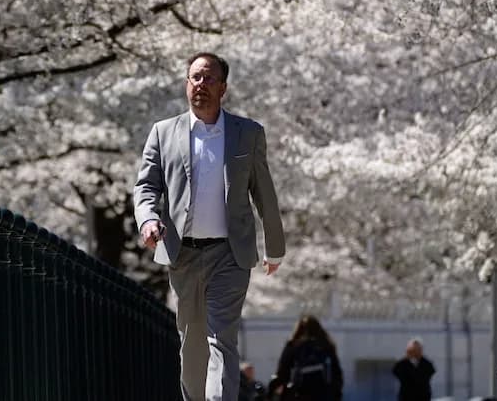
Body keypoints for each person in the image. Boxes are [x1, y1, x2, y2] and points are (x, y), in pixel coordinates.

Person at [134, 52, 287, 401]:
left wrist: (274, 247)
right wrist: (148, 219)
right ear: (186, 84)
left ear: (223, 88)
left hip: (230, 254)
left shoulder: (247, 134)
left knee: (222, 339)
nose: (201, 84)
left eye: (209, 79)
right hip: (183, 254)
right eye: (195, 78)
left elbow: (264, 193)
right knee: (192, 345)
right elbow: (146, 187)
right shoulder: (163, 132)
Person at [272, 315, 343, 401]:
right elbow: (337, 375)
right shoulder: (326, 346)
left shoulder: (293, 345)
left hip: (299, 395)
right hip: (323, 395)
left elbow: (282, 372)